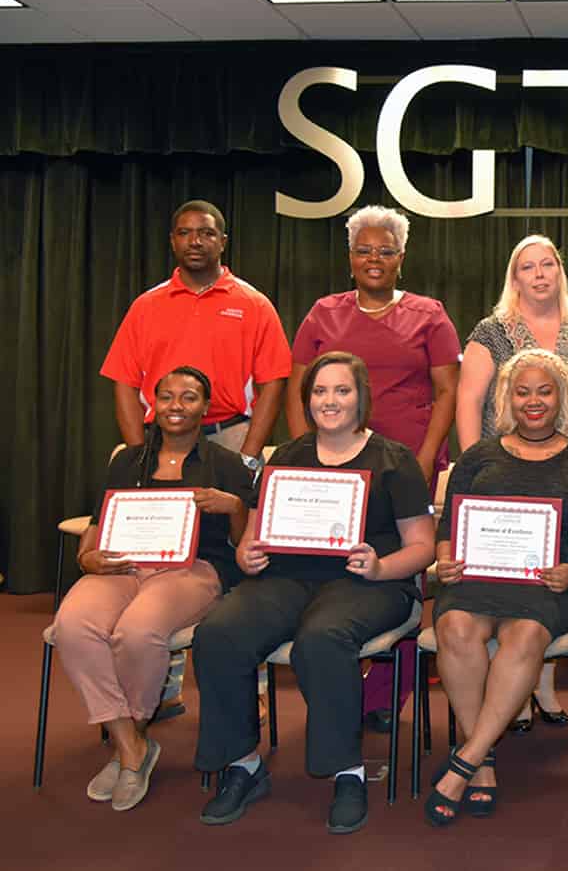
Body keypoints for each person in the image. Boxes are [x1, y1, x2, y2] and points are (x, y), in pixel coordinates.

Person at [193, 352, 435, 834]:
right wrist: (247, 555)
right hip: (285, 578)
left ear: (361, 398)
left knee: (321, 638)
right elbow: (253, 534)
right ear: (306, 400)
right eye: (320, 391)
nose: (330, 401)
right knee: (218, 632)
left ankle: (348, 771)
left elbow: (424, 548)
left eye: (342, 390)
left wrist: (381, 565)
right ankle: (242, 764)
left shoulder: (394, 459)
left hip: (368, 582)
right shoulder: (287, 456)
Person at [101, 199, 291, 718]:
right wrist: (140, 454)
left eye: (205, 233)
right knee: (162, 562)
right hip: (161, 447)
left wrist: (249, 454)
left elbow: (274, 380)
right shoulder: (147, 305)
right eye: (184, 233)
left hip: (229, 439)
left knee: (236, 560)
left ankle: (246, 685)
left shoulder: (252, 304)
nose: (195, 241)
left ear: (222, 242)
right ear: (173, 241)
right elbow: (122, 381)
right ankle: (162, 689)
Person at [288, 205, 461, 734]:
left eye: (385, 250)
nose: (374, 259)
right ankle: (340, 672)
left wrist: (427, 456)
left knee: (399, 571)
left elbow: (448, 390)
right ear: (349, 257)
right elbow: (300, 385)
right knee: (342, 572)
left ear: (401, 258)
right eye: (364, 249)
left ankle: (388, 690)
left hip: (403, 467)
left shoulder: (429, 314)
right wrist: (303, 455)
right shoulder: (323, 313)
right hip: (333, 467)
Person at [52, 366, 251, 811]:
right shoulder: (127, 460)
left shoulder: (226, 463)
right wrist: (87, 559)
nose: (175, 406)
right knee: (72, 624)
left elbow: (243, 543)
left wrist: (234, 505)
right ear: (152, 403)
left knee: (138, 632)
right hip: (123, 566)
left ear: (206, 406)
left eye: (188, 397)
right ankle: (131, 746)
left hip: (194, 569)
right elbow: (97, 523)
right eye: (166, 396)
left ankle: (132, 743)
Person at [424, 349, 568, 825]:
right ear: (508, 397)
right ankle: (480, 762)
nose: (533, 401)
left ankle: (465, 760)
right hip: (475, 580)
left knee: (523, 636)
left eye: (544, 391)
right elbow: (449, 525)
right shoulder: (478, 456)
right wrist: (445, 557)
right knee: (456, 629)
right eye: (522, 391)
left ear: (561, 396)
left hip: (545, 586)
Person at [455, 233, 568, 731]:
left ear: (560, 272)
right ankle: (516, 695)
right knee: (513, 576)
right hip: (505, 474)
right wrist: (474, 468)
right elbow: (468, 401)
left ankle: (541, 684)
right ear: (515, 277)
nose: (540, 274)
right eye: (529, 267)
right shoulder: (493, 330)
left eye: (548, 264)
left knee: (557, 570)